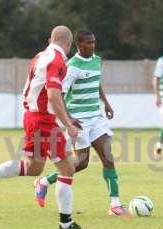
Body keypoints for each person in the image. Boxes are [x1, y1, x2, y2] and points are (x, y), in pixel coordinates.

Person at [0, 26, 84, 229]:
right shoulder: (57, 61)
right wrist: (68, 125)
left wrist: (68, 117)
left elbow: (48, 94)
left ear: (50, 39)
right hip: (44, 121)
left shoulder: (40, 56)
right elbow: (54, 96)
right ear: (70, 43)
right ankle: (66, 223)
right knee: (67, 168)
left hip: (32, 117)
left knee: (34, 168)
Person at [34, 30, 129, 217]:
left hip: (96, 118)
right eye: (88, 43)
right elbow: (60, 94)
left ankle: (115, 204)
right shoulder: (72, 66)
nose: (92, 45)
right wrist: (69, 119)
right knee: (82, 163)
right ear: (78, 45)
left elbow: (96, 82)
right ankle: (43, 182)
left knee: (108, 158)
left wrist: (106, 103)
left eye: (94, 42)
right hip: (79, 120)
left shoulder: (97, 60)